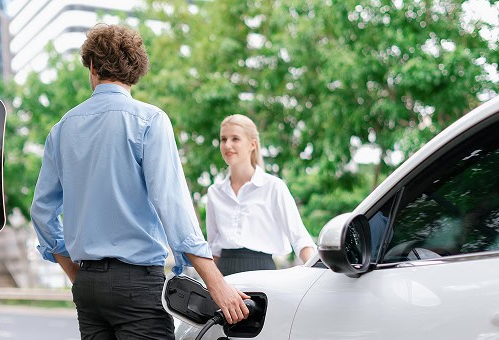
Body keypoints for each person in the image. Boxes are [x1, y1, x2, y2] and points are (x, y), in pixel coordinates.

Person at [30, 24, 249, 340]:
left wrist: (77, 275)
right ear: (136, 70)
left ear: (92, 67)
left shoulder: (62, 128)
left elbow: (42, 213)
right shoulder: (149, 120)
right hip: (136, 286)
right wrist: (216, 284)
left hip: (88, 288)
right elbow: (173, 208)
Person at [206, 114, 317, 276]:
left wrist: (316, 276)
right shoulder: (214, 192)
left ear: (252, 144)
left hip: (263, 275)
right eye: (223, 139)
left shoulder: (273, 187)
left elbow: (300, 239)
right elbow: (213, 247)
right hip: (224, 277)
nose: (227, 145)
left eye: (235, 139)